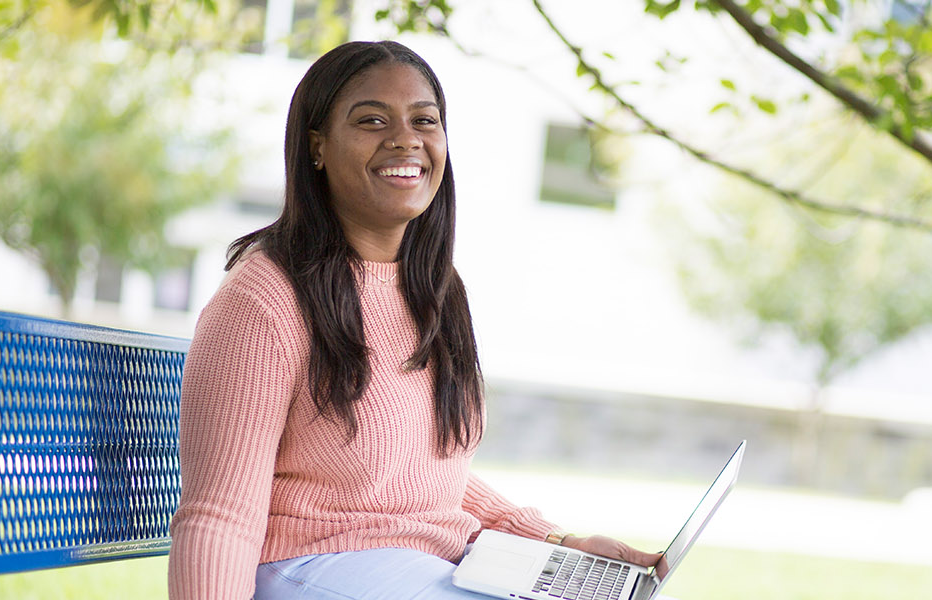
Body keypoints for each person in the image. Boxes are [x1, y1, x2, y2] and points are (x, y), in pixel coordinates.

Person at [168, 40, 660, 600]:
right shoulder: (265, 299)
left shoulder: (436, 289)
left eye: (424, 120)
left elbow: (414, 480)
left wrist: (555, 540)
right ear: (317, 148)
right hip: (314, 565)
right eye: (372, 120)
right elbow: (219, 513)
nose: (406, 138)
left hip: (422, 567)